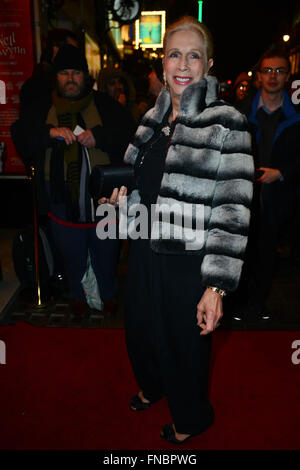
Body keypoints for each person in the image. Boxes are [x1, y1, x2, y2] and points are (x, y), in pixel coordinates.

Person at [100, 16, 253, 443]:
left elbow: (233, 209)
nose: (182, 64)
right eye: (174, 54)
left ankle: (191, 418)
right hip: (146, 249)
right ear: (162, 63)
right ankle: (154, 385)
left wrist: (216, 287)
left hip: (192, 259)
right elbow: (136, 188)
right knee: (142, 331)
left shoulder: (227, 122)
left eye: (193, 55)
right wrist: (117, 204)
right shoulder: (151, 118)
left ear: (208, 65)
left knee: (185, 347)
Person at [11, 44, 134, 315]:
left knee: (106, 249)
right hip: (59, 197)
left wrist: (98, 136)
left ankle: (109, 292)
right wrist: (49, 132)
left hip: (103, 198)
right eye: (64, 72)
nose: (70, 79)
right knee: (71, 250)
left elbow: (129, 133)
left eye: (75, 73)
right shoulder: (41, 107)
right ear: (56, 77)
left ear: (85, 76)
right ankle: (77, 295)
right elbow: (20, 133)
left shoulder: (105, 106)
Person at [232, 48, 300, 323]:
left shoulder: (295, 115)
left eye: (279, 71)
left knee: (267, 252)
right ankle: (236, 305)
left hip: (278, 195)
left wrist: (282, 173)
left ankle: (258, 305)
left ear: (287, 77)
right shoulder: (241, 111)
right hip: (241, 195)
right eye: (267, 71)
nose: (273, 76)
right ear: (259, 76)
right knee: (239, 251)